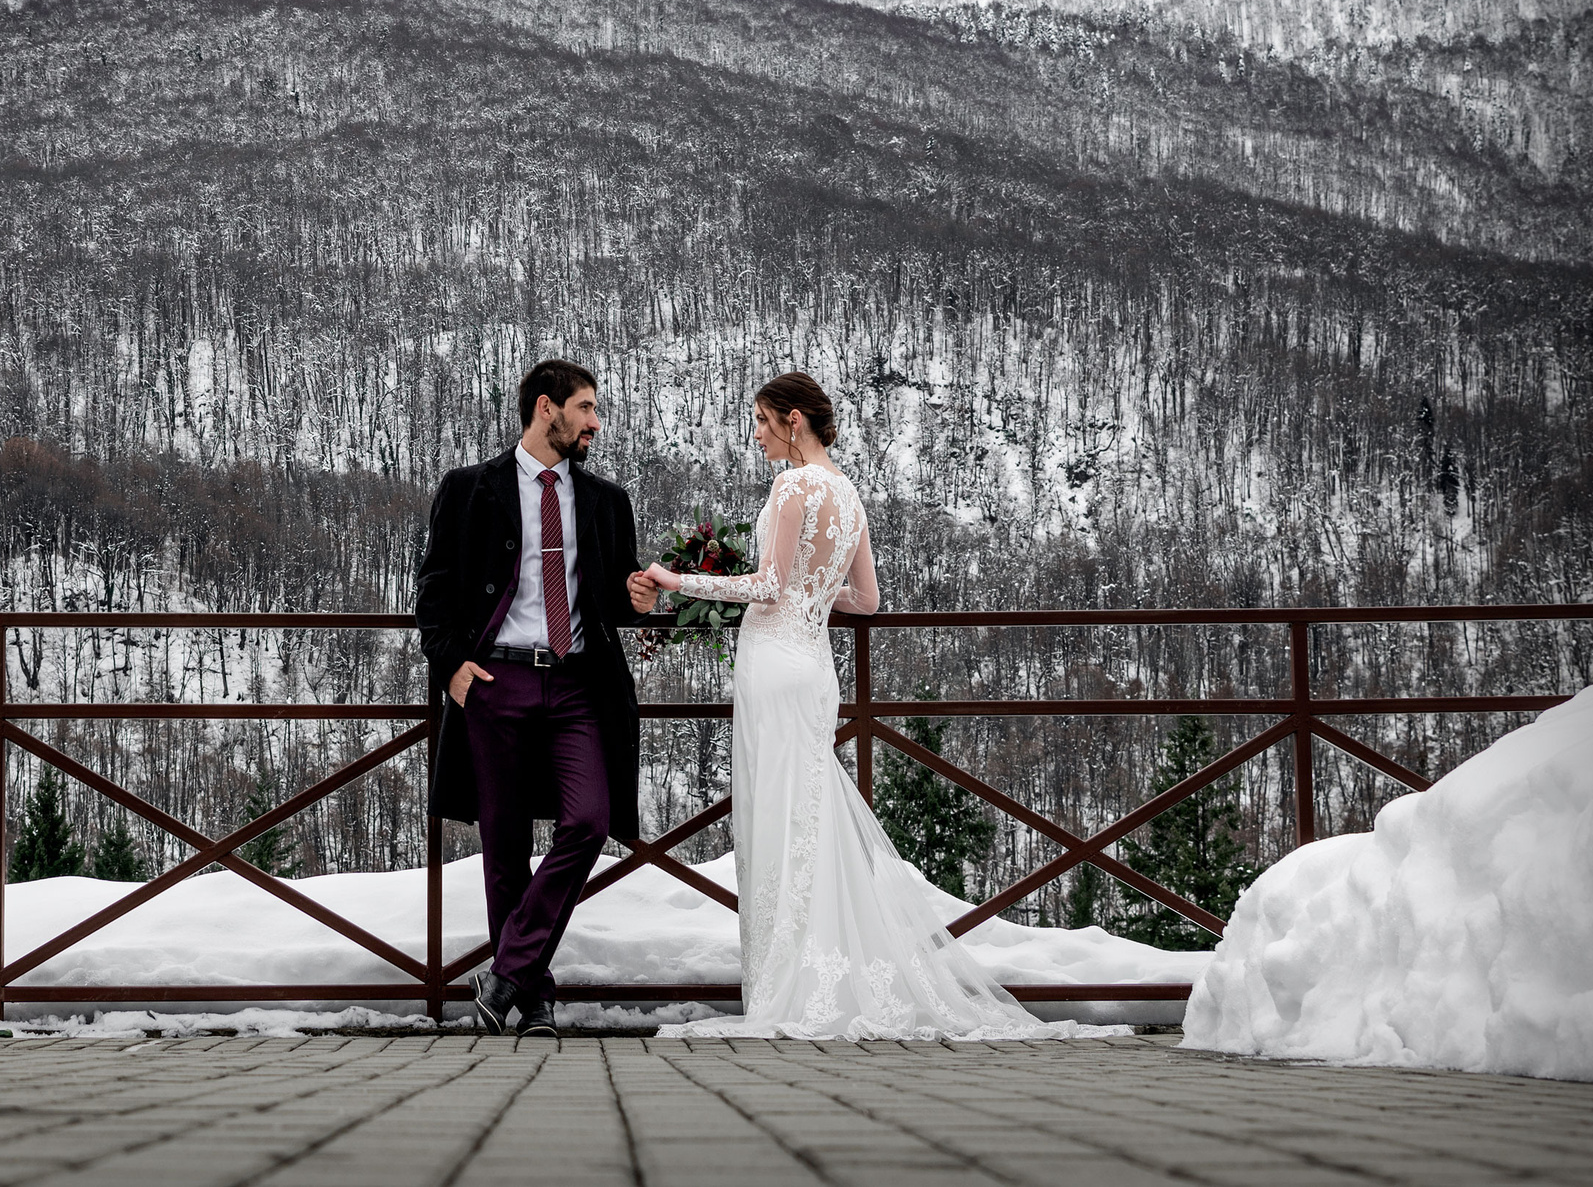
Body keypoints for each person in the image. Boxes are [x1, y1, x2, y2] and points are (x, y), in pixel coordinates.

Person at [632, 371, 1094, 1039]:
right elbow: (867, 601)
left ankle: (787, 984)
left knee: (781, 815)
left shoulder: (793, 485)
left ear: (794, 421)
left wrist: (678, 580)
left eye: (761, 421)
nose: (756, 434)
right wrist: (810, 598)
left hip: (776, 664)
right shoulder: (848, 493)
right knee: (810, 815)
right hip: (815, 666)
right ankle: (825, 972)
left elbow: (765, 585)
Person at [417, 358, 654, 1037]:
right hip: (496, 681)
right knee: (505, 843)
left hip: (580, 683)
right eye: (585, 408)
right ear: (546, 408)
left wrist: (635, 600)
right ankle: (533, 996)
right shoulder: (469, 489)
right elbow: (432, 594)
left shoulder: (607, 500)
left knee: (588, 821)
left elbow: (612, 602)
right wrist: (454, 669)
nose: (595, 422)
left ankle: (506, 974)